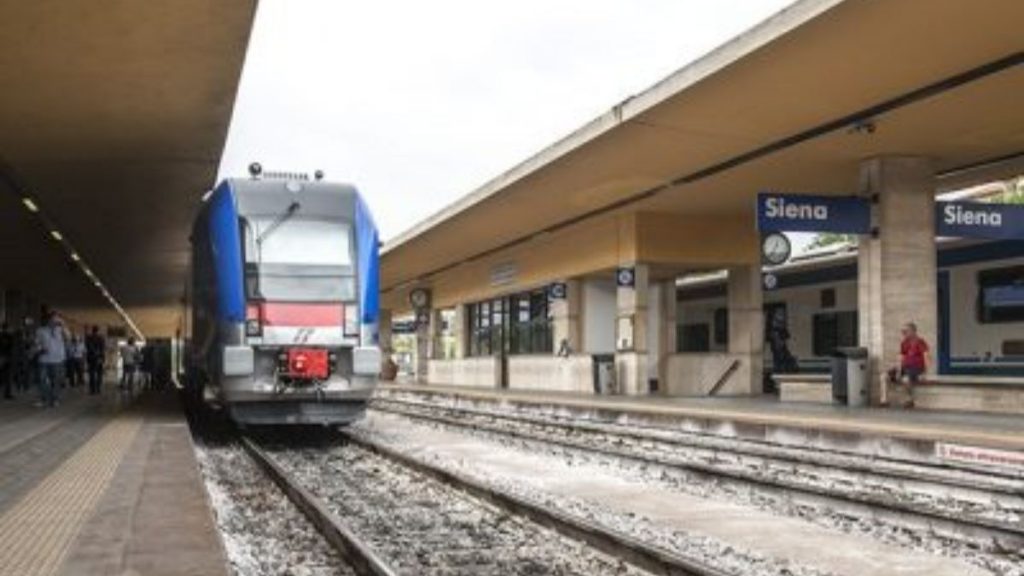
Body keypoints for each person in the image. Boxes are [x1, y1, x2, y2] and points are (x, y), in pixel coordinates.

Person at [890, 322, 930, 409]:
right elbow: (900, 357)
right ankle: (884, 400)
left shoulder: (920, 342)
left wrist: (925, 373)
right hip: (905, 367)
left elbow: (926, 357)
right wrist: (898, 370)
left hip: (916, 368)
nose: (903, 333)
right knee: (884, 376)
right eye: (903, 331)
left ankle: (909, 399)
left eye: (905, 331)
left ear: (913, 331)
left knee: (905, 379)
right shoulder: (904, 343)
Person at [35, 312, 67, 408]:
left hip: (57, 359)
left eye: (56, 319)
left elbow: (69, 337)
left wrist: (63, 325)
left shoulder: (61, 330)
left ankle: (55, 399)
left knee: (56, 380)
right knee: (42, 379)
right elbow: (37, 343)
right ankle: (44, 398)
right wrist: (40, 348)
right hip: (44, 359)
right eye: (53, 319)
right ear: (48, 320)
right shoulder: (40, 330)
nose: (54, 321)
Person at [85, 326, 106, 395]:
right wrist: (102, 358)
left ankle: (92, 390)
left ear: (92, 330)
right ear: (98, 330)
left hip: (91, 358)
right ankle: (98, 388)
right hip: (99, 358)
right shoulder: (101, 338)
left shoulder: (88, 338)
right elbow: (103, 349)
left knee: (92, 374)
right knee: (99, 374)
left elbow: (87, 347)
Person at [0, 323, 13, 400]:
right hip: (6, 357)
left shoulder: (4, 336)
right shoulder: (9, 336)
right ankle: (7, 394)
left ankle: (7, 393)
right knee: (7, 376)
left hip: (4, 356)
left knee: (5, 376)